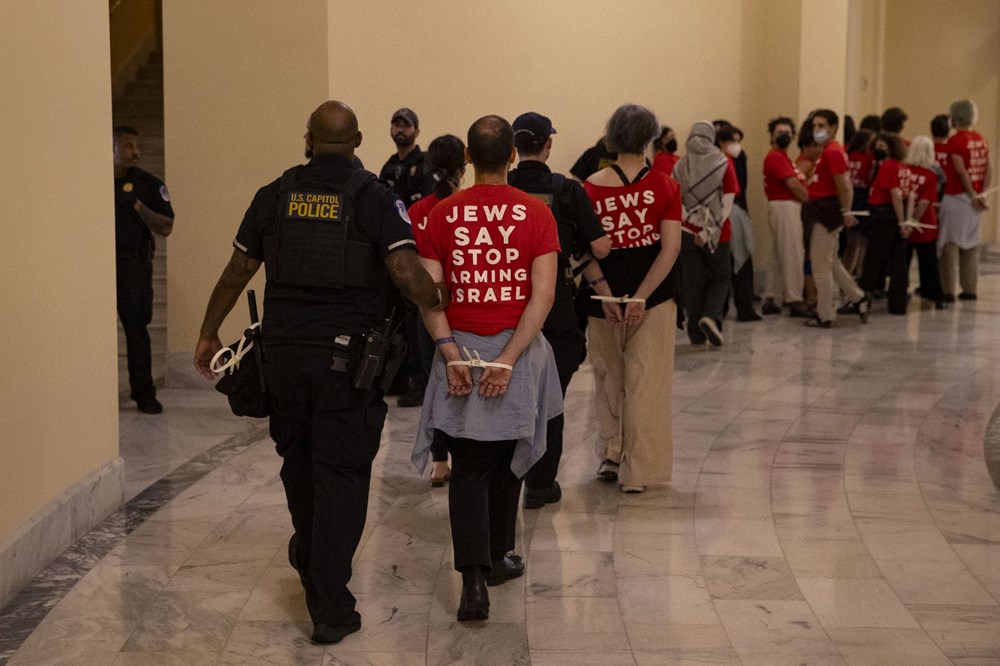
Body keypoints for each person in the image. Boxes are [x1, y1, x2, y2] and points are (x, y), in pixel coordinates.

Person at [194, 101, 444, 645]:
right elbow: (405, 271)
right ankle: (330, 603)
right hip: (347, 365)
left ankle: (310, 552)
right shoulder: (376, 198)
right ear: (356, 141)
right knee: (343, 474)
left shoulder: (275, 194)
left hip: (282, 359)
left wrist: (209, 331)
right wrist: (438, 294)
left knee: (299, 461)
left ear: (307, 139)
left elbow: (239, 268)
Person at [411, 115, 563, 622]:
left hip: (460, 352)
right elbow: (542, 296)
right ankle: (496, 559)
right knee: (506, 459)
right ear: (514, 157)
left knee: (469, 468)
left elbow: (430, 297)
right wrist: (509, 359)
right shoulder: (536, 213)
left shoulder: (441, 215)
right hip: (514, 351)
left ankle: (475, 579)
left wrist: (452, 353)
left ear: (470, 159)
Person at [508, 111, 611, 509]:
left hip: (506, 307)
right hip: (556, 310)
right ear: (548, 145)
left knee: (510, 395)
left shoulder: (504, 188)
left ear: (514, 149)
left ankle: (508, 478)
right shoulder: (567, 192)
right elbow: (601, 248)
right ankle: (540, 483)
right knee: (551, 398)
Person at [582, 103, 681, 492]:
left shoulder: (589, 186)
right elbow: (669, 249)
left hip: (601, 296)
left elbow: (585, 251)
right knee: (646, 382)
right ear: (649, 138)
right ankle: (638, 473)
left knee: (609, 379)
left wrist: (607, 294)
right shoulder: (666, 185)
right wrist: (640, 297)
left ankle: (612, 452)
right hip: (653, 297)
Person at [407, 134, 468, 487]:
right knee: (465, 383)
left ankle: (440, 460)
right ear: (464, 166)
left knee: (437, 384)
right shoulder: (469, 206)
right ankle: (466, 452)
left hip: (429, 310)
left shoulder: (418, 211)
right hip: (466, 311)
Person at [113, 126, 175, 414]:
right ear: (112, 148)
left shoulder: (149, 184)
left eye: (137, 146)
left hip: (134, 267)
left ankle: (144, 394)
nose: (135, 152)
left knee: (137, 331)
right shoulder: (92, 181)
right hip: (100, 269)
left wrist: (139, 208)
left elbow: (167, 226)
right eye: (128, 146)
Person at [380, 107, 431, 407]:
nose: (400, 130)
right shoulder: (387, 167)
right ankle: (396, 377)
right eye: (396, 124)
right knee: (394, 316)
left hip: (416, 250)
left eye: (406, 126)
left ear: (416, 131)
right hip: (391, 252)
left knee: (416, 321)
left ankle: (419, 380)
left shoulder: (424, 166)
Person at [801, 109, 869, 328]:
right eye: (815, 126)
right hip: (820, 210)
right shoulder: (827, 151)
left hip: (826, 212)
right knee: (832, 262)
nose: (817, 130)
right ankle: (858, 297)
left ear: (833, 128)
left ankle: (824, 313)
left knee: (820, 264)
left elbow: (844, 186)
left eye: (821, 125)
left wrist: (846, 211)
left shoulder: (833, 152)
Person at [673, 121, 737, 346]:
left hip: (685, 231)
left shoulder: (680, 166)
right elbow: (728, 201)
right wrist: (708, 229)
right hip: (718, 233)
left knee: (693, 282)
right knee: (720, 277)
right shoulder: (723, 163)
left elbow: (675, 200)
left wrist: (692, 224)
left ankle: (695, 333)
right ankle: (710, 316)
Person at [938, 99, 992, 302]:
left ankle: (948, 290)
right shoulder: (981, 139)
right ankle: (970, 288)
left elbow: (960, 171)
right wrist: (981, 194)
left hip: (956, 198)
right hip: (975, 201)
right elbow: (988, 169)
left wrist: (971, 194)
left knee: (949, 246)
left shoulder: (956, 141)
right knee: (971, 246)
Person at [760, 117, 812, 318]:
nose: (785, 135)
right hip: (785, 206)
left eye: (788, 132)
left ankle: (771, 297)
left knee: (779, 255)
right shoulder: (775, 157)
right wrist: (810, 201)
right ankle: (795, 299)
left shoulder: (785, 157)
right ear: (772, 136)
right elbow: (792, 184)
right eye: (780, 132)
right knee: (792, 253)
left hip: (786, 207)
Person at [859, 132, 909, 314]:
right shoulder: (903, 167)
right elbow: (909, 196)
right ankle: (898, 304)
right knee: (898, 262)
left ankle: (861, 300)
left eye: (882, 147)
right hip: (894, 216)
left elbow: (896, 195)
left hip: (885, 215)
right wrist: (904, 221)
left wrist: (902, 221)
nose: (877, 151)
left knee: (873, 259)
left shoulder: (888, 166)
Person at [716, 124, 761, 321]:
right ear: (721, 142)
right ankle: (742, 308)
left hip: (731, 214)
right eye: (732, 141)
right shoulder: (722, 162)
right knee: (738, 261)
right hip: (729, 214)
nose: (736, 145)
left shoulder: (735, 160)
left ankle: (725, 308)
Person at [900, 136, 946, 309]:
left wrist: (907, 221)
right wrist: (915, 220)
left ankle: (900, 292)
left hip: (904, 221)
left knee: (903, 261)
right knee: (929, 263)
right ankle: (933, 293)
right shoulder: (930, 175)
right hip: (924, 224)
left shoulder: (904, 170)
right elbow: (925, 202)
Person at [842, 128, 876, 276]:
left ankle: (847, 273)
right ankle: (855, 274)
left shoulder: (847, 154)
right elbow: (870, 178)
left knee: (851, 242)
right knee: (860, 242)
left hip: (849, 195)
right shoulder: (868, 157)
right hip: (861, 196)